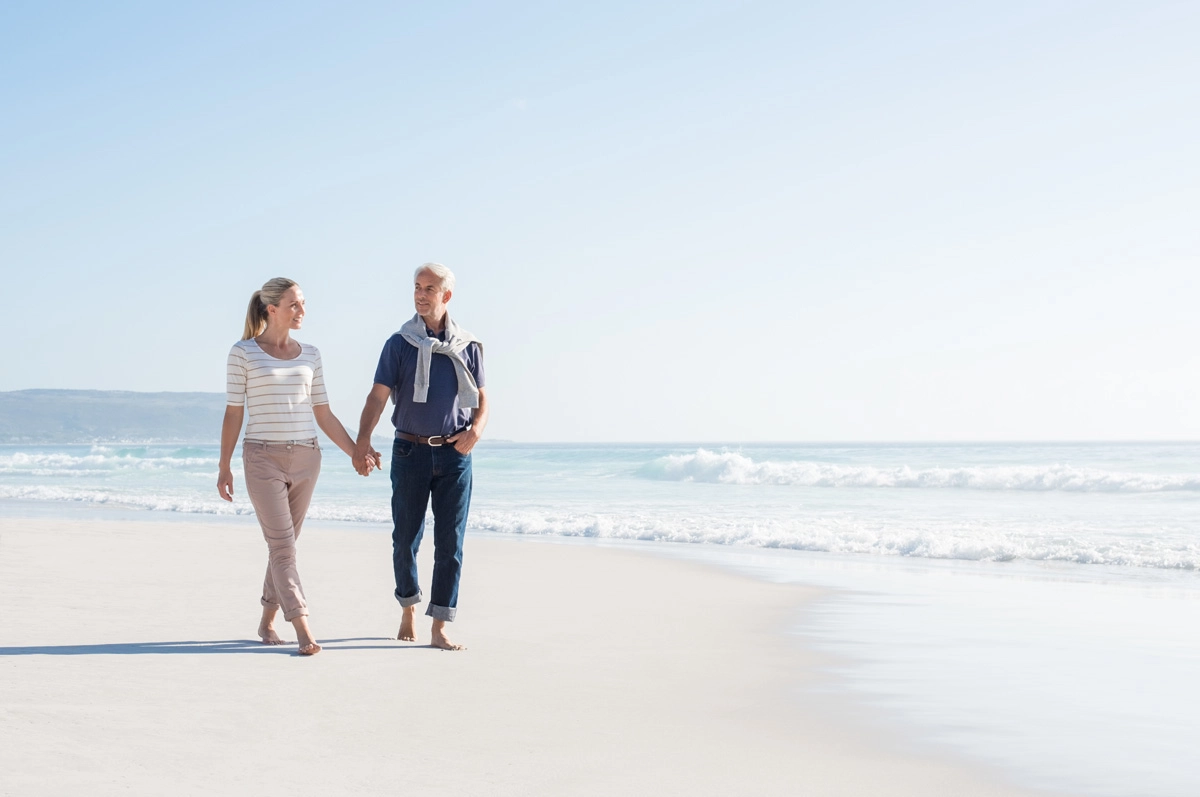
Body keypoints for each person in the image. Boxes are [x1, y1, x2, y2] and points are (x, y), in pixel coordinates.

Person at [218, 277, 372, 656]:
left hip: (307, 458)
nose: (302, 311)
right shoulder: (243, 353)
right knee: (284, 548)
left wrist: (355, 451)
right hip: (261, 457)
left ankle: (267, 622)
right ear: (271, 309)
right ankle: (303, 628)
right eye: (294, 305)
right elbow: (234, 414)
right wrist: (224, 466)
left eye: (303, 304)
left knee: (282, 548)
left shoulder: (311, 354)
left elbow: (323, 412)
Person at [354, 263, 487, 650]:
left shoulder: (469, 345)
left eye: (430, 288)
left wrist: (476, 430)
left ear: (446, 295)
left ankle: (440, 624)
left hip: (456, 454)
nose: (421, 294)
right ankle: (408, 606)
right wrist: (362, 442)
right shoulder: (400, 343)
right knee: (405, 539)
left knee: (451, 543)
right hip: (409, 450)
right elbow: (377, 397)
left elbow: (483, 399)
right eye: (417, 287)